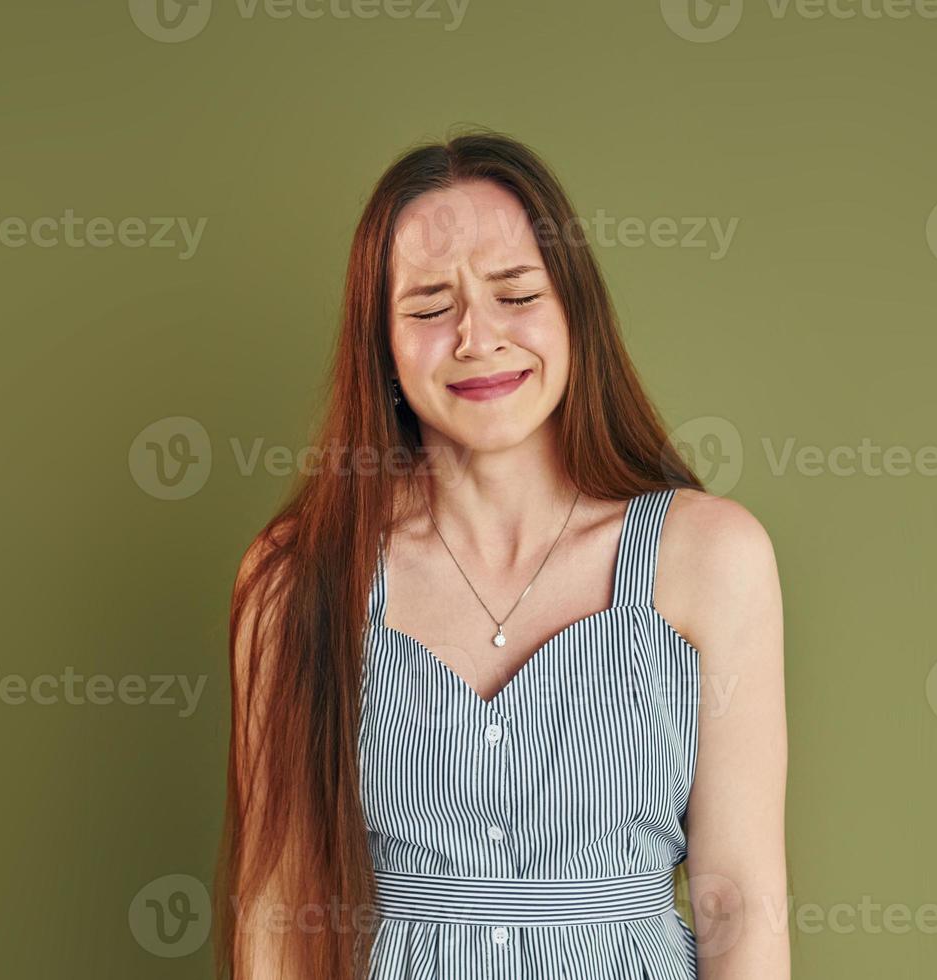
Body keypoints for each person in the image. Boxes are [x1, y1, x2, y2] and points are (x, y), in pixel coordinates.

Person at [218, 129, 788, 980]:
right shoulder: (297, 577)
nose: (476, 337)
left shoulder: (711, 557)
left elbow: (737, 900)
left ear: (575, 313)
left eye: (516, 293)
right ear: (381, 341)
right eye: (427, 307)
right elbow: (278, 907)